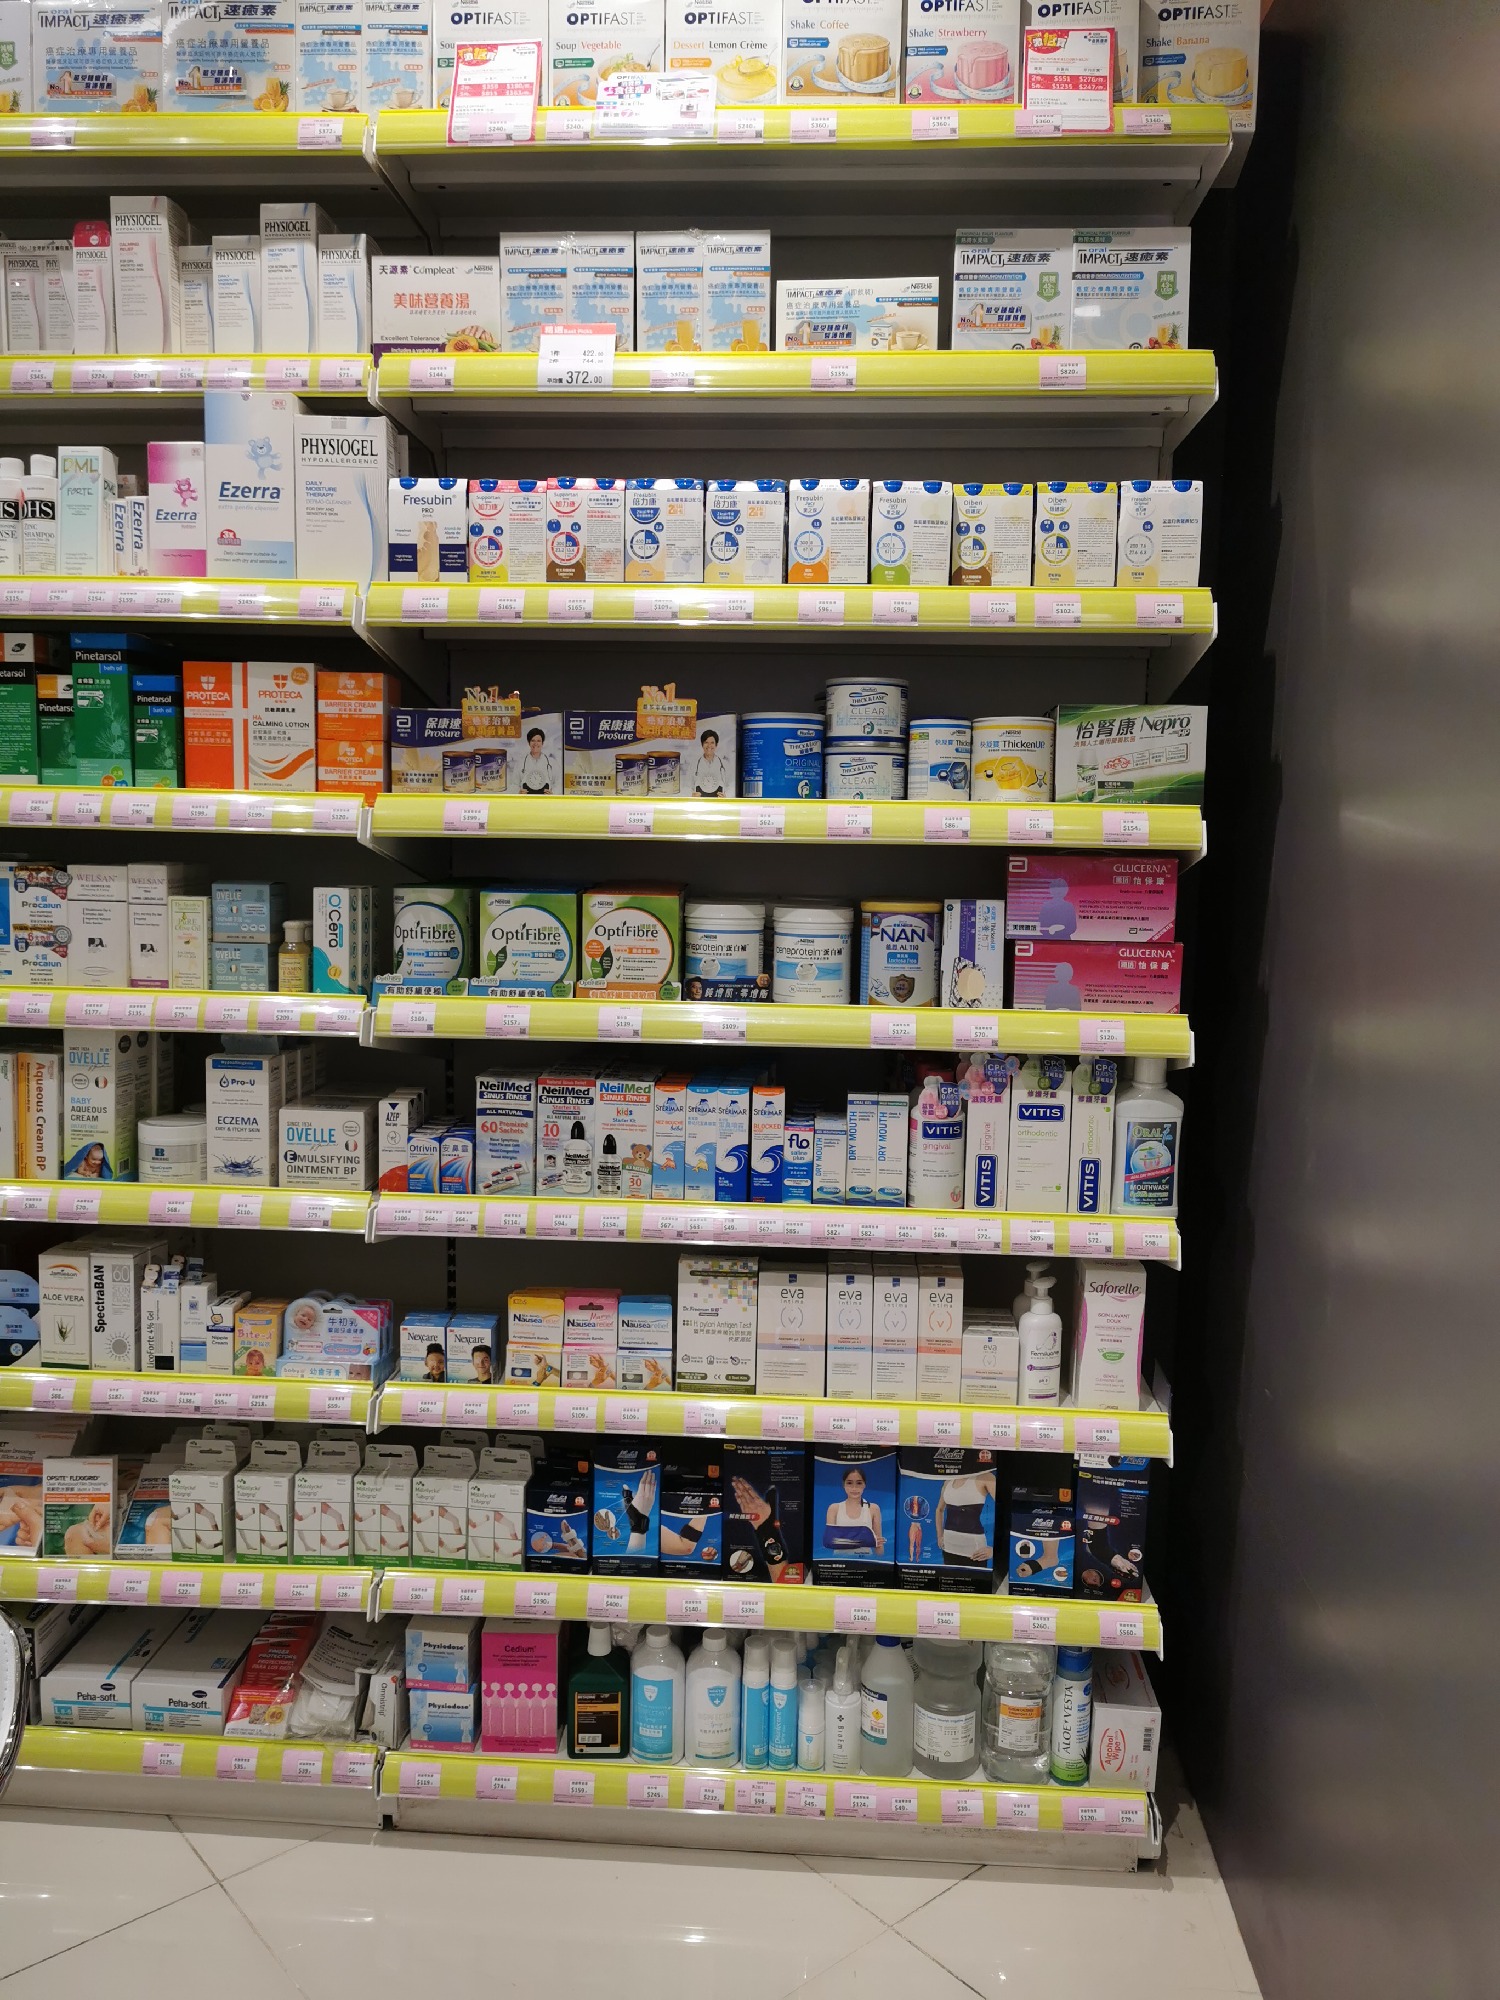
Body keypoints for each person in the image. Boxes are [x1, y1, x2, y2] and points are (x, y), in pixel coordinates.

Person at [935, 1467, 996, 1567]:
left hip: (974, 1552)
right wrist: (939, 1535)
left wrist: (994, 1550)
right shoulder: (948, 1482)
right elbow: (939, 1510)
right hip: (948, 1548)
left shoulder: (985, 1477)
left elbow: (1005, 1508)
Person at [822, 1464, 883, 1555]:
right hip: (840, 1560)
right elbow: (830, 1541)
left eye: (859, 1483)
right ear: (844, 1484)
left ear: (864, 1484)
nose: (854, 1488)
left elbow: (879, 1545)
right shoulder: (834, 1508)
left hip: (865, 1560)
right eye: (849, 1483)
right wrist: (864, 1540)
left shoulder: (873, 1508)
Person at [517, 725, 558, 794]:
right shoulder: (520, 763)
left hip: (545, 798)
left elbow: (559, 782)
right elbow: (514, 784)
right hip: (526, 798)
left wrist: (553, 792)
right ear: (529, 743)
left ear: (542, 743)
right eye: (533, 740)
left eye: (538, 741)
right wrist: (518, 792)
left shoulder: (552, 762)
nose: (535, 743)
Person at [692, 728, 730, 798]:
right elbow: (687, 786)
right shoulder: (694, 764)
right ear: (702, 744)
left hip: (718, 802)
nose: (709, 745)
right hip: (700, 802)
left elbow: (730, 785)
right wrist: (692, 795)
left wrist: (726, 796)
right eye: (706, 742)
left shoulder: (724, 764)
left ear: (716, 745)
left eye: (712, 743)